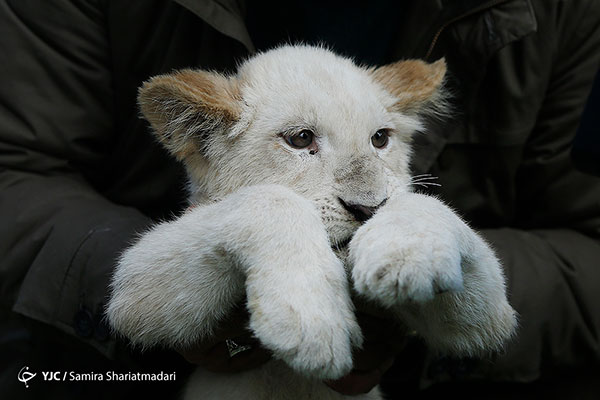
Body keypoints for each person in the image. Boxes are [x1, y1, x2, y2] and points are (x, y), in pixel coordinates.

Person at [1, 1, 599, 399]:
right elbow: (20, 173)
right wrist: (257, 227)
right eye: (301, 140)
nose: (368, 196)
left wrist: (423, 279)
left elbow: (490, 322)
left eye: (382, 137)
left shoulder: (564, 14)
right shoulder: (220, 124)